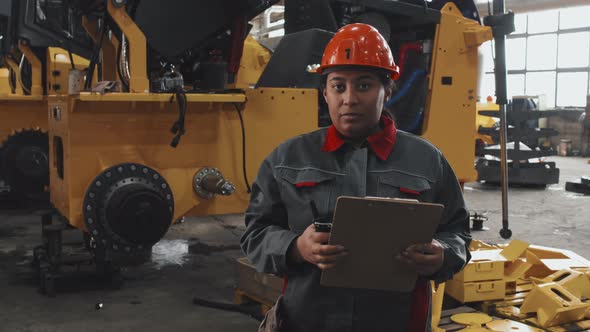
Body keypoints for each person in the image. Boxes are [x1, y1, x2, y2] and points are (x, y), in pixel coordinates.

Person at [240, 23, 471, 332]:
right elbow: (255, 232)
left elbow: (458, 234)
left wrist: (442, 255)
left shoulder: (427, 161)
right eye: (338, 86)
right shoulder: (287, 158)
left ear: (387, 90)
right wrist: (296, 247)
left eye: (364, 86)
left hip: (397, 322)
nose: (349, 99)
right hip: (307, 320)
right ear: (325, 93)